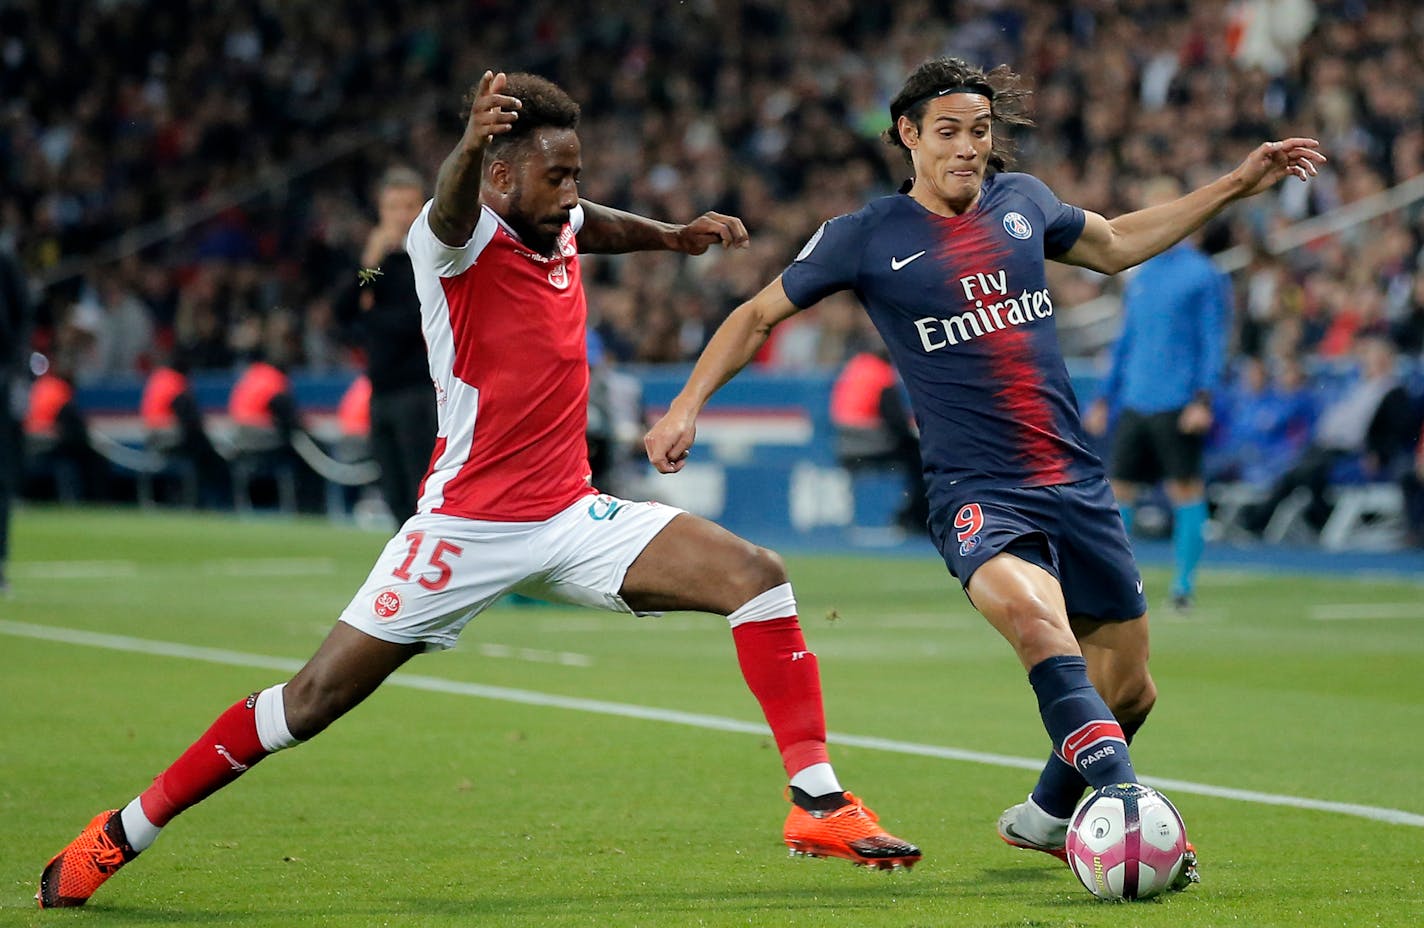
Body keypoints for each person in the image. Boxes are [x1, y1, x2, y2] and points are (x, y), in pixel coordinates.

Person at [36, 70, 918, 910]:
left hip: (571, 514)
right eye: (556, 174)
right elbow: (450, 204)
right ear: (500, 174)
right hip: (463, 530)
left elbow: (592, 223)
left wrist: (670, 234)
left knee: (755, 575)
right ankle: (121, 832)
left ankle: (818, 801)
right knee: (308, 703)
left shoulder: (559, 220)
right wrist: (464, 148)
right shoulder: (452, 238)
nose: (572, 191)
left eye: (577, 172)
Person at [646, 55, 1323, 876]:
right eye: (948, 133)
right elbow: (756, 315)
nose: (967, 148)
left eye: (979, 131)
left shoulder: (1023, 202)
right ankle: (1129, 808)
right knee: (1042, 628)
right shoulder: (867, 235)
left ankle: (1045, 813)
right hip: (977, 492)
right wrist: (686, 404)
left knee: (1131, 690)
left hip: (1074, 482)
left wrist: (1234, 186)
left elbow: (1112, 245)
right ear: (908, 136)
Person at [1082, 176, 1230, 611]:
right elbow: (1127, 340)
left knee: (1185, 490)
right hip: (1135, 399)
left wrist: (1203, 400)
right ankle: (1120, 584)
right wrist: (1106, 397)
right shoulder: (1141, 274)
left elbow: (1213, 341)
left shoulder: (1203, 274)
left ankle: (1183, 587)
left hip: (1178, 402)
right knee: (1120, 490)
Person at [337, 166, 440, 524]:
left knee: (420, 490)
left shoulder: (428, 260)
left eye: (409, 206)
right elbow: (344, 309)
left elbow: (412, 322)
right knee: (393, 491)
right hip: (380, 391)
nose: (401, 216)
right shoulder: (379, 267)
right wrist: (369, 264)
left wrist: (371, 316)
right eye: (392, 207)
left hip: (417, 392)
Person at [1241, 334, 1416, 536]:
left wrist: (1379, 453)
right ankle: (1277, 518)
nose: (1365, 361)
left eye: (1371, 356)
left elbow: (1395, 430)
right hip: (1332, 446)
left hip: (1357, 452)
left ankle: (1296, 518)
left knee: (1309, 471)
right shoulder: (1359, 387)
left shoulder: (1394, 392)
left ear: (1385, 360)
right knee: (1297, 470)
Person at [829, 333, 928, 533]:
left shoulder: (856, 366)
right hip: (870, 444)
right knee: (921, 459)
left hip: (844, 443)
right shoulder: (881, 373)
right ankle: (917, 517)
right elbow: (896, 423)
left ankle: (911, 515)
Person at [0, 249, 32, 594]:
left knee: (1, 479)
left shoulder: (5, 263)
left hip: (2, 381)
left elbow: (21, 318)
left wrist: (18, 376)